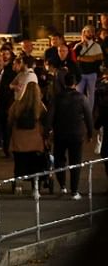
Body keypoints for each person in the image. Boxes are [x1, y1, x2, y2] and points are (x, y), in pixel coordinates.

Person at [47, 71, 95, 199]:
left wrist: (48, 131)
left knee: (59, 160)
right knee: (76, 162)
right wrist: (90, 133)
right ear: (76, 83)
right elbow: (89, 117)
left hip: (60, 133)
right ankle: (74, 191)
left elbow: (50, 116)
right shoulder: (81, 98)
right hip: (77, 134)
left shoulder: (57, 98)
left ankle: (62, 186)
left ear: (64, 83)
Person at [7, 82, 48, 197]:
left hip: (19, 141)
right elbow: (46, 124)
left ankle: (18, 186)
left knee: (19, 164)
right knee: (36, 165)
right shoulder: (40, 107)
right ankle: (35, 188)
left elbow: (9, 122)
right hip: (35, 142)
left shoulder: (17, 105)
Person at [74, 24, 103, 109]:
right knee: (78, 94)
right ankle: (78, 111)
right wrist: (91, 58)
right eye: (88, 31)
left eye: (92, 31)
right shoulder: (78, 45)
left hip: (92, 73)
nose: (90, 33)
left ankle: (89, 112)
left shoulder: (96, 46)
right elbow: (76, 58)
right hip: (81, 73)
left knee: (91, 95)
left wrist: (84, 59)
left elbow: (99, 59)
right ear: (84, 33)